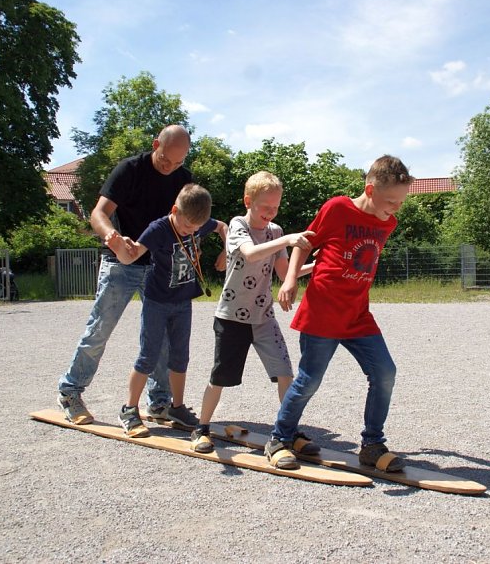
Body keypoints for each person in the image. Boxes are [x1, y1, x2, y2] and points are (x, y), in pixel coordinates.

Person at [57, 125, 225, 426]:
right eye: (165, 160)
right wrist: (113, 238)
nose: (170, 167)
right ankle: (70, 393)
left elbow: (190, 220)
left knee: (159, 340)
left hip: (160, 267)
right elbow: (99, 213)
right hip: (122, 261)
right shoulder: (129, 170)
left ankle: (159, 403)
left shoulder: (183, 179)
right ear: (155, 144)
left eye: (178, 163)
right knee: (100, 329)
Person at [265, 155, 414, 471]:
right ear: (370, 190)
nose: (396, 208)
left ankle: (372, 445)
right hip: (322, 313)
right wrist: (290, 279)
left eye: (401, 201)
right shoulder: (336, 208)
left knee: (385, 372)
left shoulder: (388, 221)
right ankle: (279, 438)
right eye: (391, 200)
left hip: (358, 316)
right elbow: (304, 244)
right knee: (309, 380)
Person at [189, 171, 317, 454]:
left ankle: (288, 430)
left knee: (285, 373)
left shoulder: (277, 232)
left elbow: (285, 273)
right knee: (220, 377)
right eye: (265, 208)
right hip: (231, 317)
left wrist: (317, 267)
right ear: (248, 201)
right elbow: (250, 253)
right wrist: (287, 241)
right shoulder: (238, 226)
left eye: (275, 208)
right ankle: (202, 427)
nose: (270, 214)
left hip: (263, 317)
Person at [106, 184, 227, 437]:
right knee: (148, 356)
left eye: (195, 229)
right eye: (186, 228)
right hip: (157, 302)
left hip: (183, 302)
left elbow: (222, 226)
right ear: (175, 210)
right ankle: (128, 409)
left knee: (180, 356)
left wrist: (225, 250)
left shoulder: (199, 222)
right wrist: (118, 245)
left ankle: (177, 407)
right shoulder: (158, 228)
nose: (190, 231)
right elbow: (132, 256)